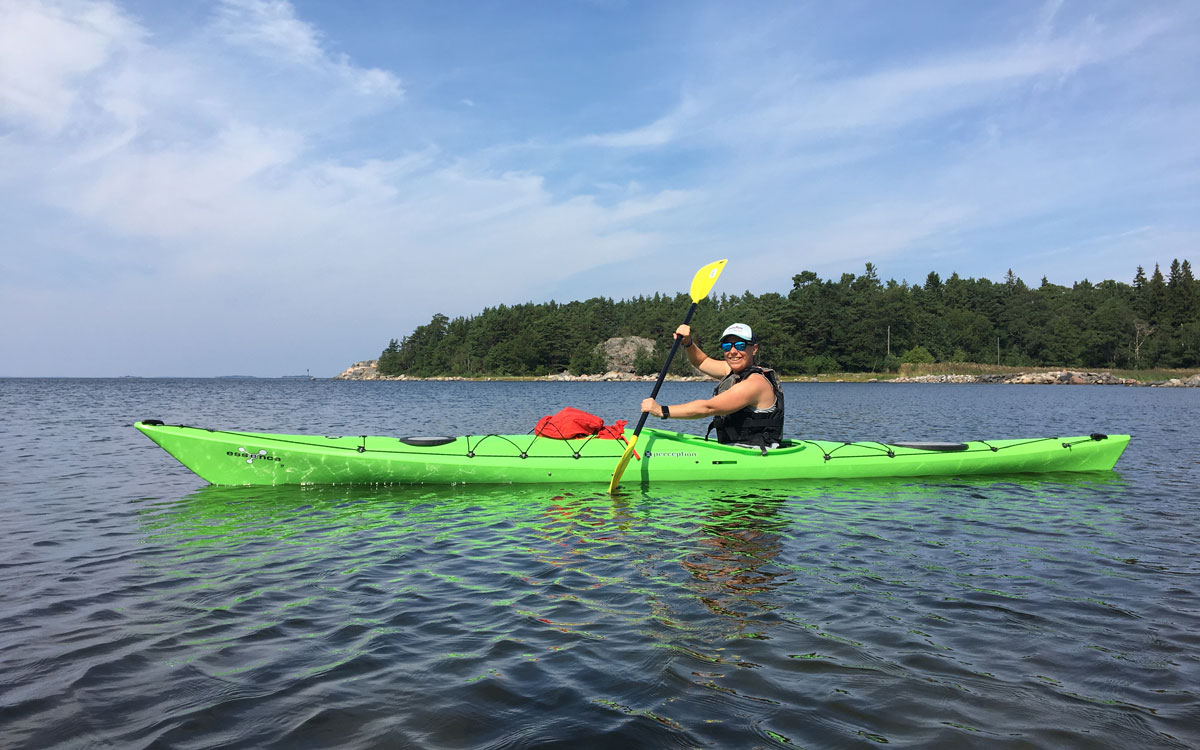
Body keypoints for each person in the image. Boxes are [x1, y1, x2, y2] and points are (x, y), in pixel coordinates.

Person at [641, 323, 785, 448]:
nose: (733, 351)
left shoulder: (755, 383)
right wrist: (688, 342)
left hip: (754, 453)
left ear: (754, 349)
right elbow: (701, 362)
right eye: (727, 346)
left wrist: (662, 411)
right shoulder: (732, 371)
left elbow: (708, 408)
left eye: (740, 345)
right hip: (733, 448)